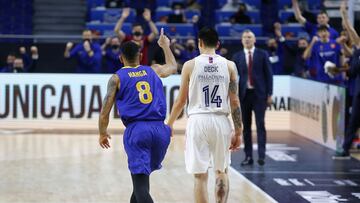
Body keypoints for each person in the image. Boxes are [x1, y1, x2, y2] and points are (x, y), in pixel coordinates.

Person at [98, 29, 177, 203]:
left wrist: (102, 133)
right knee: (140, 184)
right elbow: (173, 67)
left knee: (140, 187)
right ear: (140, 56)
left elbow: (105, 112)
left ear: (120, 59)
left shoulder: (116, 78)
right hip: (161, 131)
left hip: (138, 131)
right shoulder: (154, 70)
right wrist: (165, 46)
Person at [167, 27, 242, 203]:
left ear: (199, 43)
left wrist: (169, 123)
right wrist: (238, 130)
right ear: (218, 44)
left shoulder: (190, 65)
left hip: (198, 121)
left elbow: (180, 101)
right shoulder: (230, 65)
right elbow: (235, 102)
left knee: (200, 176)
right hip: (220, 120)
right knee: (221, 170)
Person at [232, 30, 273, 166]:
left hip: (259, 95)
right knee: (246, 127)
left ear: (254, 40)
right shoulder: (237, 56)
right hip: (244, 96)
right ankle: (248, 156)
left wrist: (270, 94)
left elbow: (269, 75)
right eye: (244, 37)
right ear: (241, 40)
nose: (247, 39)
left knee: (260, 125)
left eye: (249, 37)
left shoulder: (262, 54)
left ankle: (261, 156)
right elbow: (232, 78)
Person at [332, 2, 360, 159]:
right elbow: (350, 30)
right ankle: (345, 149)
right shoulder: (358, 46)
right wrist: (343, 13)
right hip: (358, 91)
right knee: (353, 121)